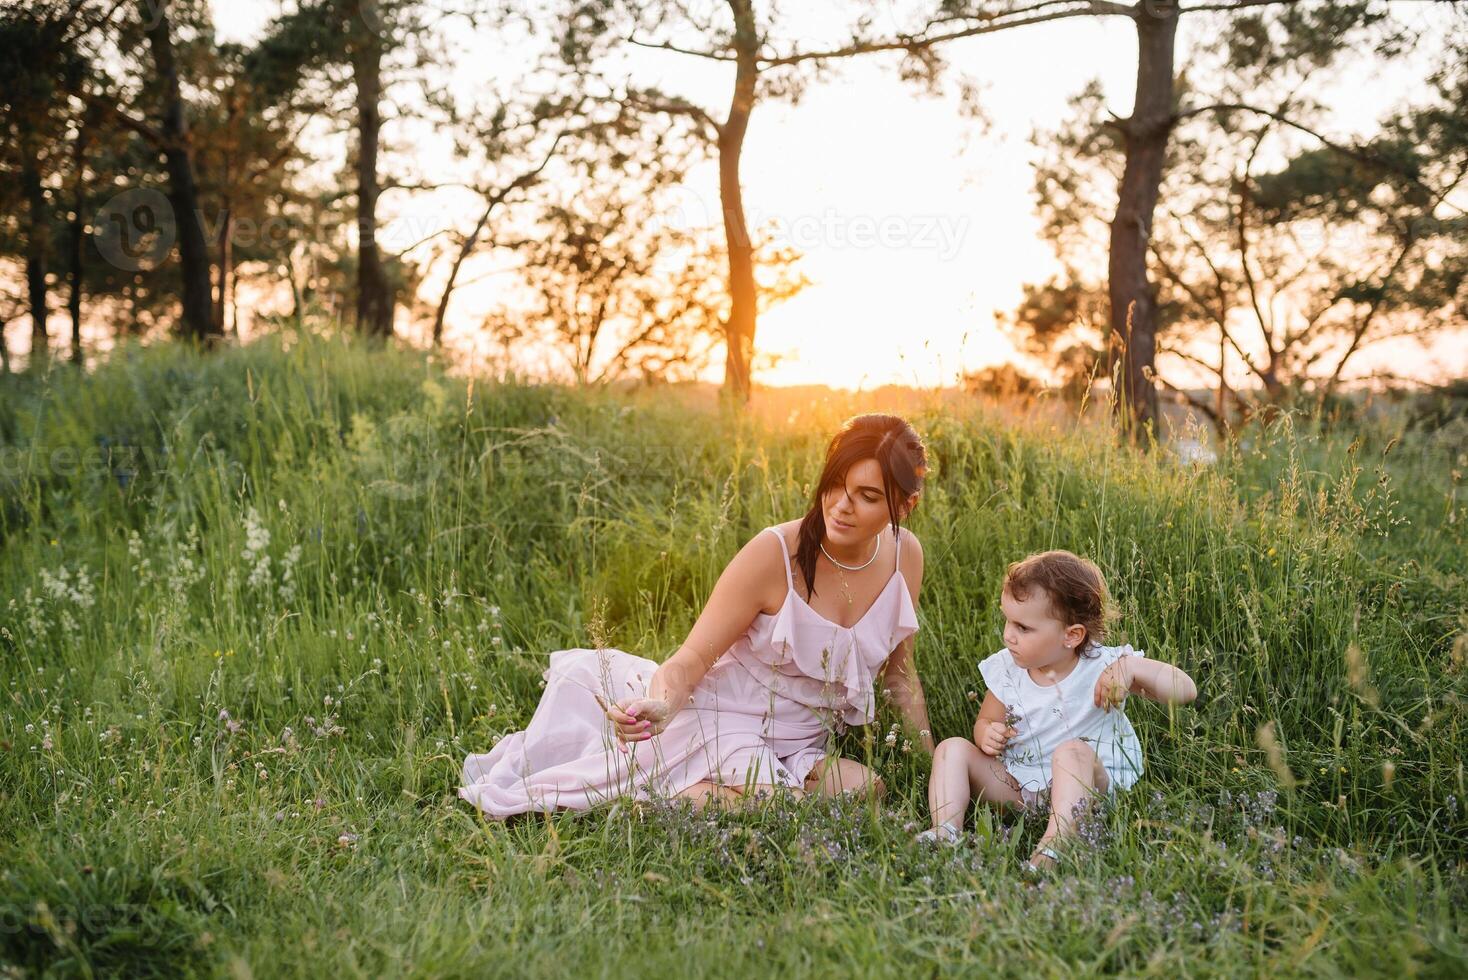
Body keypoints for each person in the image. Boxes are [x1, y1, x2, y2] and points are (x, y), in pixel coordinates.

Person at [459, 414, 936, 817]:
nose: (840, 504)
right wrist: (664, 703)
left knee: (866, 790)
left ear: (905, 505)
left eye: (867, 496)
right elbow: (690, 658)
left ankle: (740, 789)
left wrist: (933, 762)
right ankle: (670, 789)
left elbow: (900, 675)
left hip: (803, 742)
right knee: (776, 808)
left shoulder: (904, 557)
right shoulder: (773, 555)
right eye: (835, 483)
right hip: (723, 718)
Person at [921, 550, 1197, 870]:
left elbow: (1186, 691)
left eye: (1023, 627)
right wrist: (986, 734)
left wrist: (1132, 667)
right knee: (951, 748)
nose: (1008, 635)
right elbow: (986, 719)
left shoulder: (1104, 666)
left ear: (1071, 635)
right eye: (1007, 620)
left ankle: (1053, 847)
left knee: (1072, 752)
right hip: (1019, 787)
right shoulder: (1008, 669)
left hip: (1086, 789)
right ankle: (945, 828)